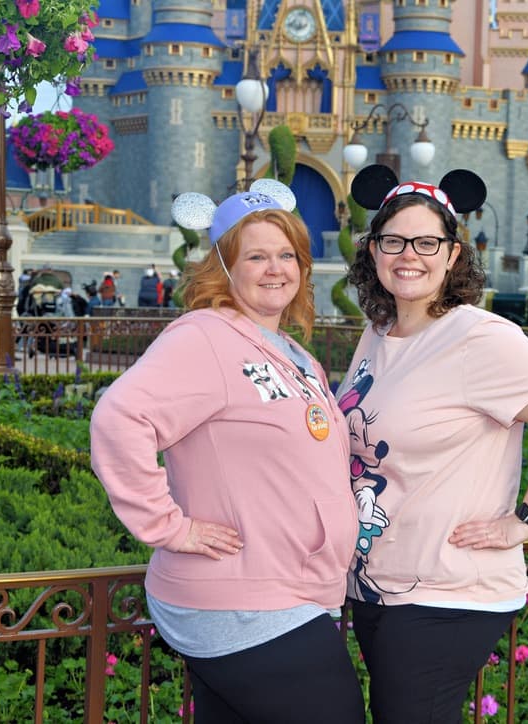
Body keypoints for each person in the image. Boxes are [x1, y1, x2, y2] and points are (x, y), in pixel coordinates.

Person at [90, 182, 364, 723]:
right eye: (256, 256)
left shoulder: (293, 353)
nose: (275, 268)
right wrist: (170, 527)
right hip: (243, 600)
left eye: (287, 255)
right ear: (224, 267)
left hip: (287, 592)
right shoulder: (206, 336)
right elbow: (119, 418)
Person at [341, 164, 528, 723]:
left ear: (453, 255)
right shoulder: (379, 331)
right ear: (373, 250)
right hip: (378, 584)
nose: (408, 254)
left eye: (427, 242)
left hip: (449, 591)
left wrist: (526, 519)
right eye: (393, 240)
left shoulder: (476, 337)